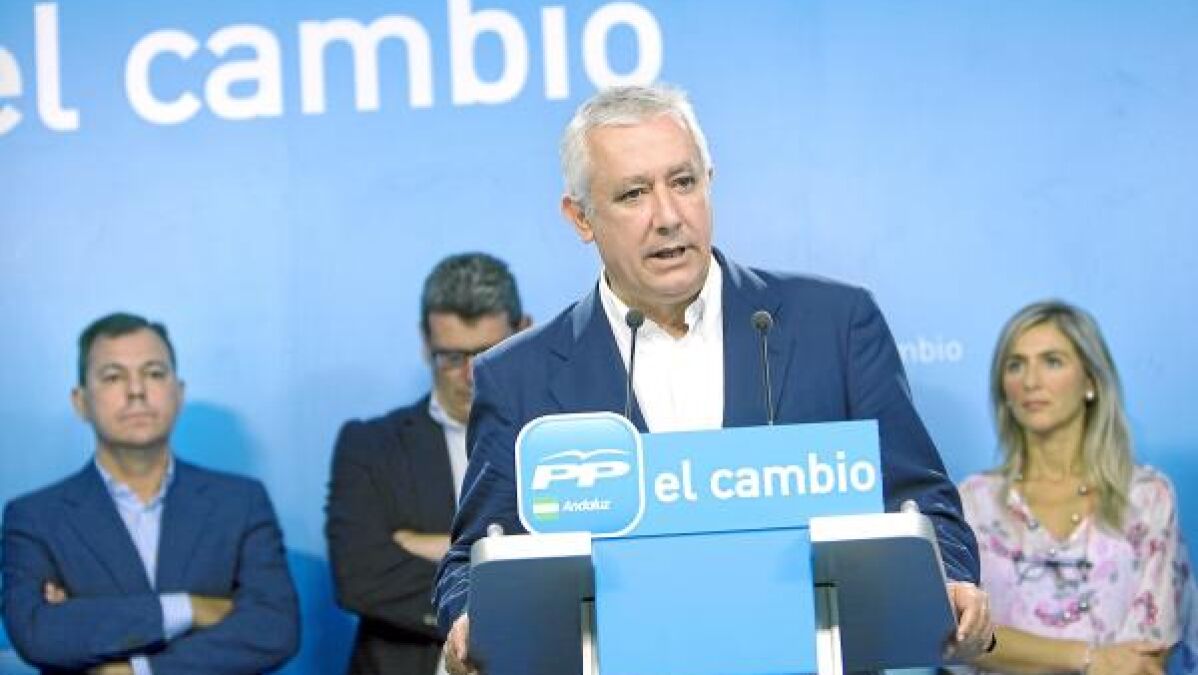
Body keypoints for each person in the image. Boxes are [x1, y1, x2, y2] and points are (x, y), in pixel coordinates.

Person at [434, 83, 993, 674]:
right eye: (633, 194)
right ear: (580, 218)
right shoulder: (518, 378)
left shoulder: (835, 327)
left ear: (709, 180)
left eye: (683, 182)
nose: (668, 217)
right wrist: (471, 619)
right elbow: (474, 559)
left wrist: (950, 581)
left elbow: (920, 502)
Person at [1, 312, 299, 674]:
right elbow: (37, 634)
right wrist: (189, 608)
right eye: (113, 377)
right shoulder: (35, 518)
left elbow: (274, 629)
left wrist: (140, 669)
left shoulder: (240, 502)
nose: (136, 391)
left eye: (154, 373)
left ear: (179, 393)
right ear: (81, 402)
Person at [960, 300, 1194, 675]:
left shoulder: (1148, 497)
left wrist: (1017, 650)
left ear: (1091, 382)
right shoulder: (973, 502)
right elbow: (961, 636)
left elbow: (1148, 655)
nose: (1030, 381)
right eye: (1015, 365)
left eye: (1052, 361)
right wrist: (1088, 658)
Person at [326, 253, 529, 675]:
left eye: (488, 353)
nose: (471, 375)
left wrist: (436, 547)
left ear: (524, 330)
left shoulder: (561, 440)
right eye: (451, 357)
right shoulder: (370, 447)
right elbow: (361, 578)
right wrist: (506, 572)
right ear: (425, 343)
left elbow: (586, 565)